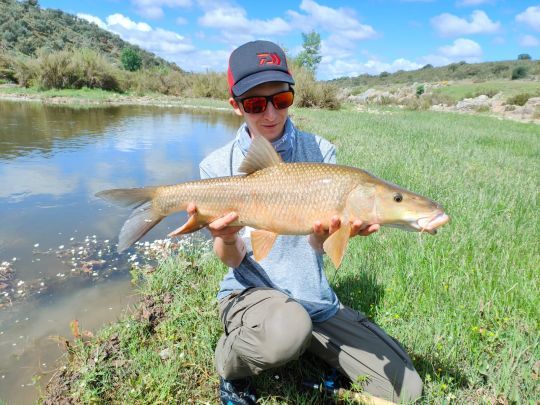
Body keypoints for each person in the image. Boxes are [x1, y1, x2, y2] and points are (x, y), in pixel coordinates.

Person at [191, 40, 423, 405]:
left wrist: (337, 233)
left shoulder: (321, 151)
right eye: (255, 104)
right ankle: (230, 366)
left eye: (281, 100)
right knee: (288, 329)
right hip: (251, 290)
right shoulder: (217, 168)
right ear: (235, 106)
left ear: (291, 95)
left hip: (313, 298)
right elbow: (232, 259)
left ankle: (306, 347)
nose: (270, 114)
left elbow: (316, 246)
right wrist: (226, 235)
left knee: (406, 389)